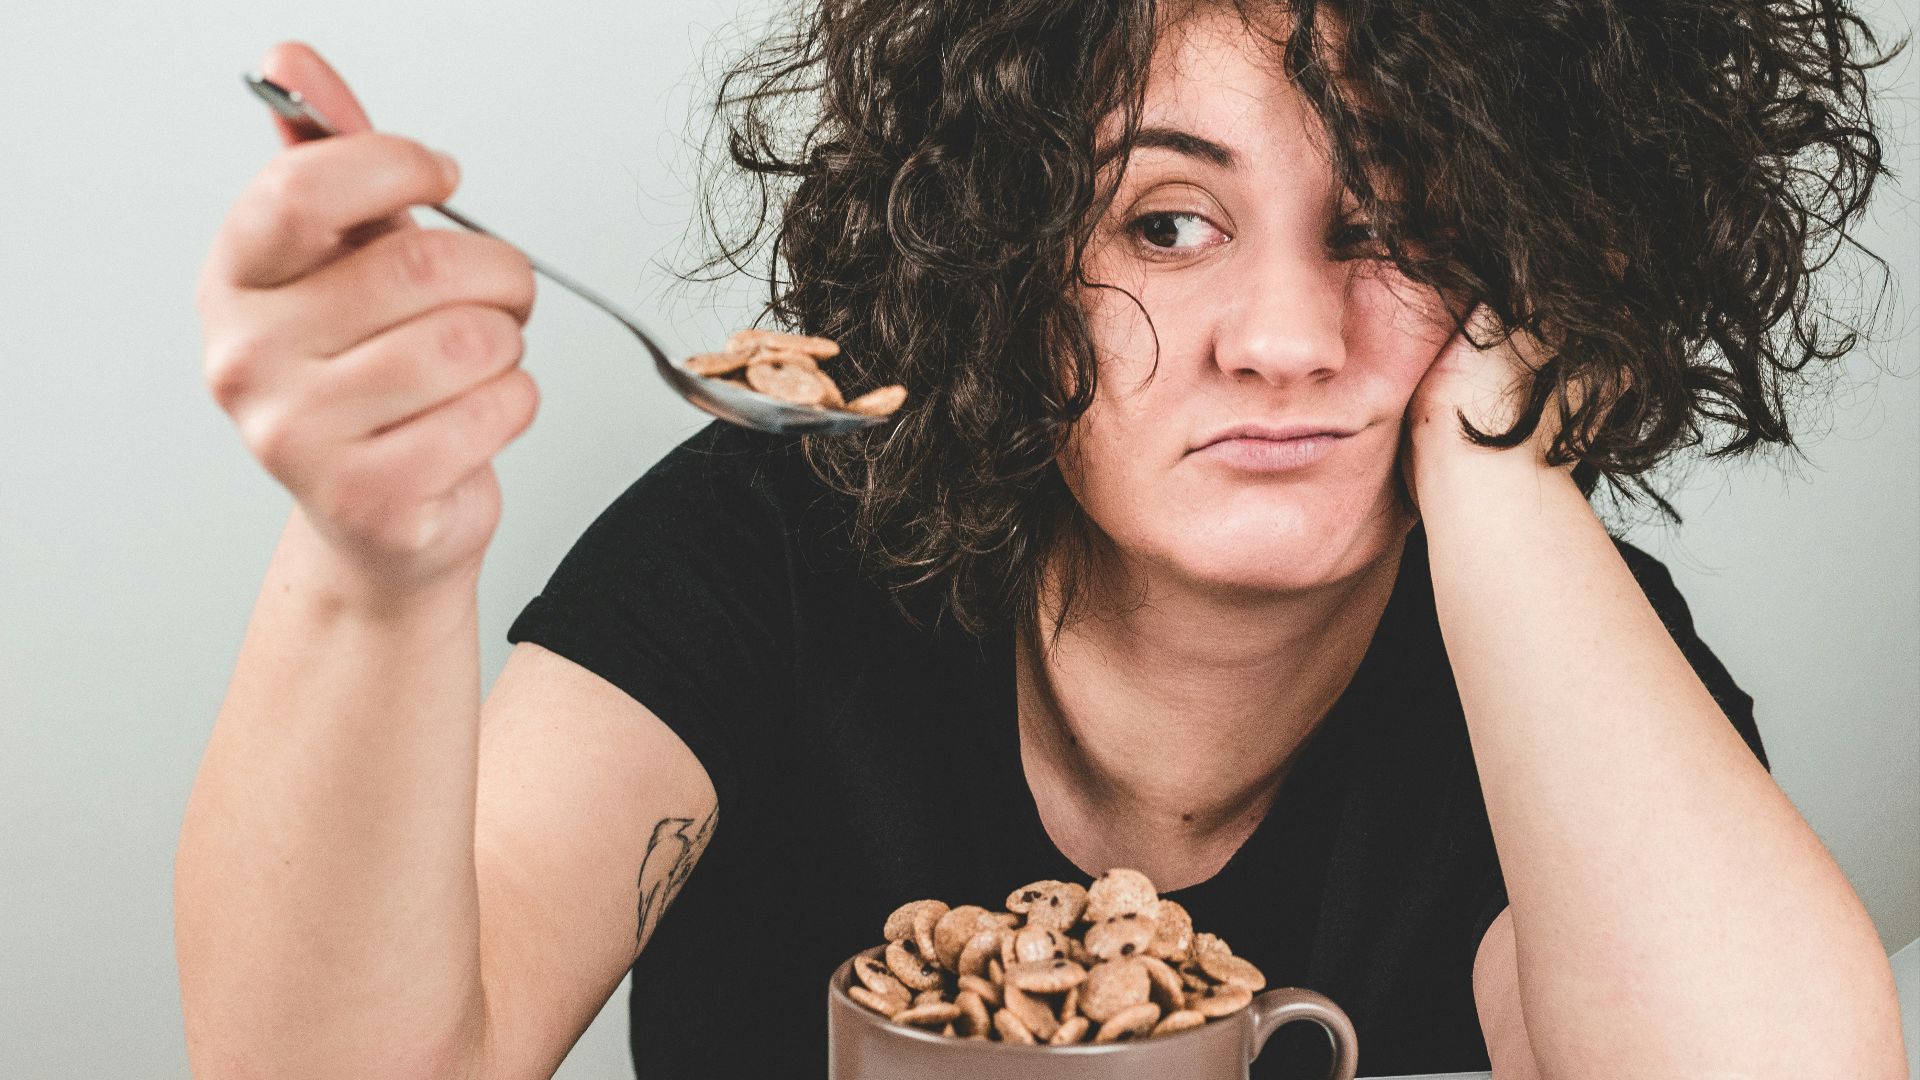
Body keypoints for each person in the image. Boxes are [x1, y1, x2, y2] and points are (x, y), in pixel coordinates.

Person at [176, 0, 1908, 1074]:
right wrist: (369, 565)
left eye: (1390, 225)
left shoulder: (1562, 652)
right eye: (1166, 223)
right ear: (1003, 251)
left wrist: (1506, 460)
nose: (1286, 337)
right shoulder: (766, 549)